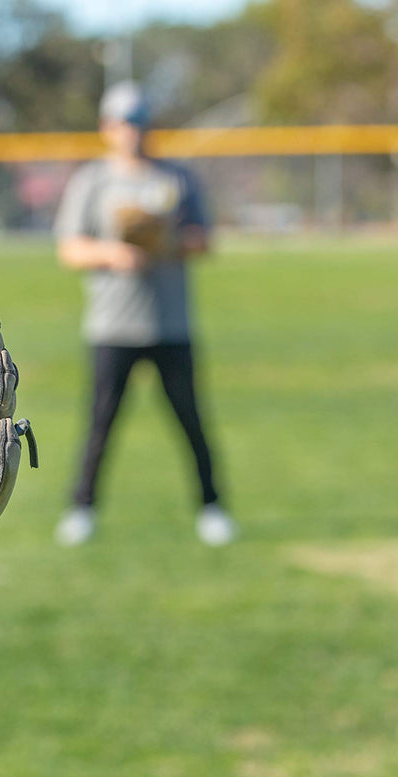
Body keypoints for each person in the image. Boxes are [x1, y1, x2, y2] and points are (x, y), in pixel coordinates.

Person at [52, 81, 235, 547]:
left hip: (170, 324)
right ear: (106, 127)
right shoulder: (93, 180)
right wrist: (114, 253)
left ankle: (212, 508)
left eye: (139, 121)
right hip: (112, 326)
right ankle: (82, 510)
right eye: (123, 122)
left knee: (191, 420)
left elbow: (204, 240)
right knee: (101, 423)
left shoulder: (176, 178)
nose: (132, 131)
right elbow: (70, 248)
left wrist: (164, 241)